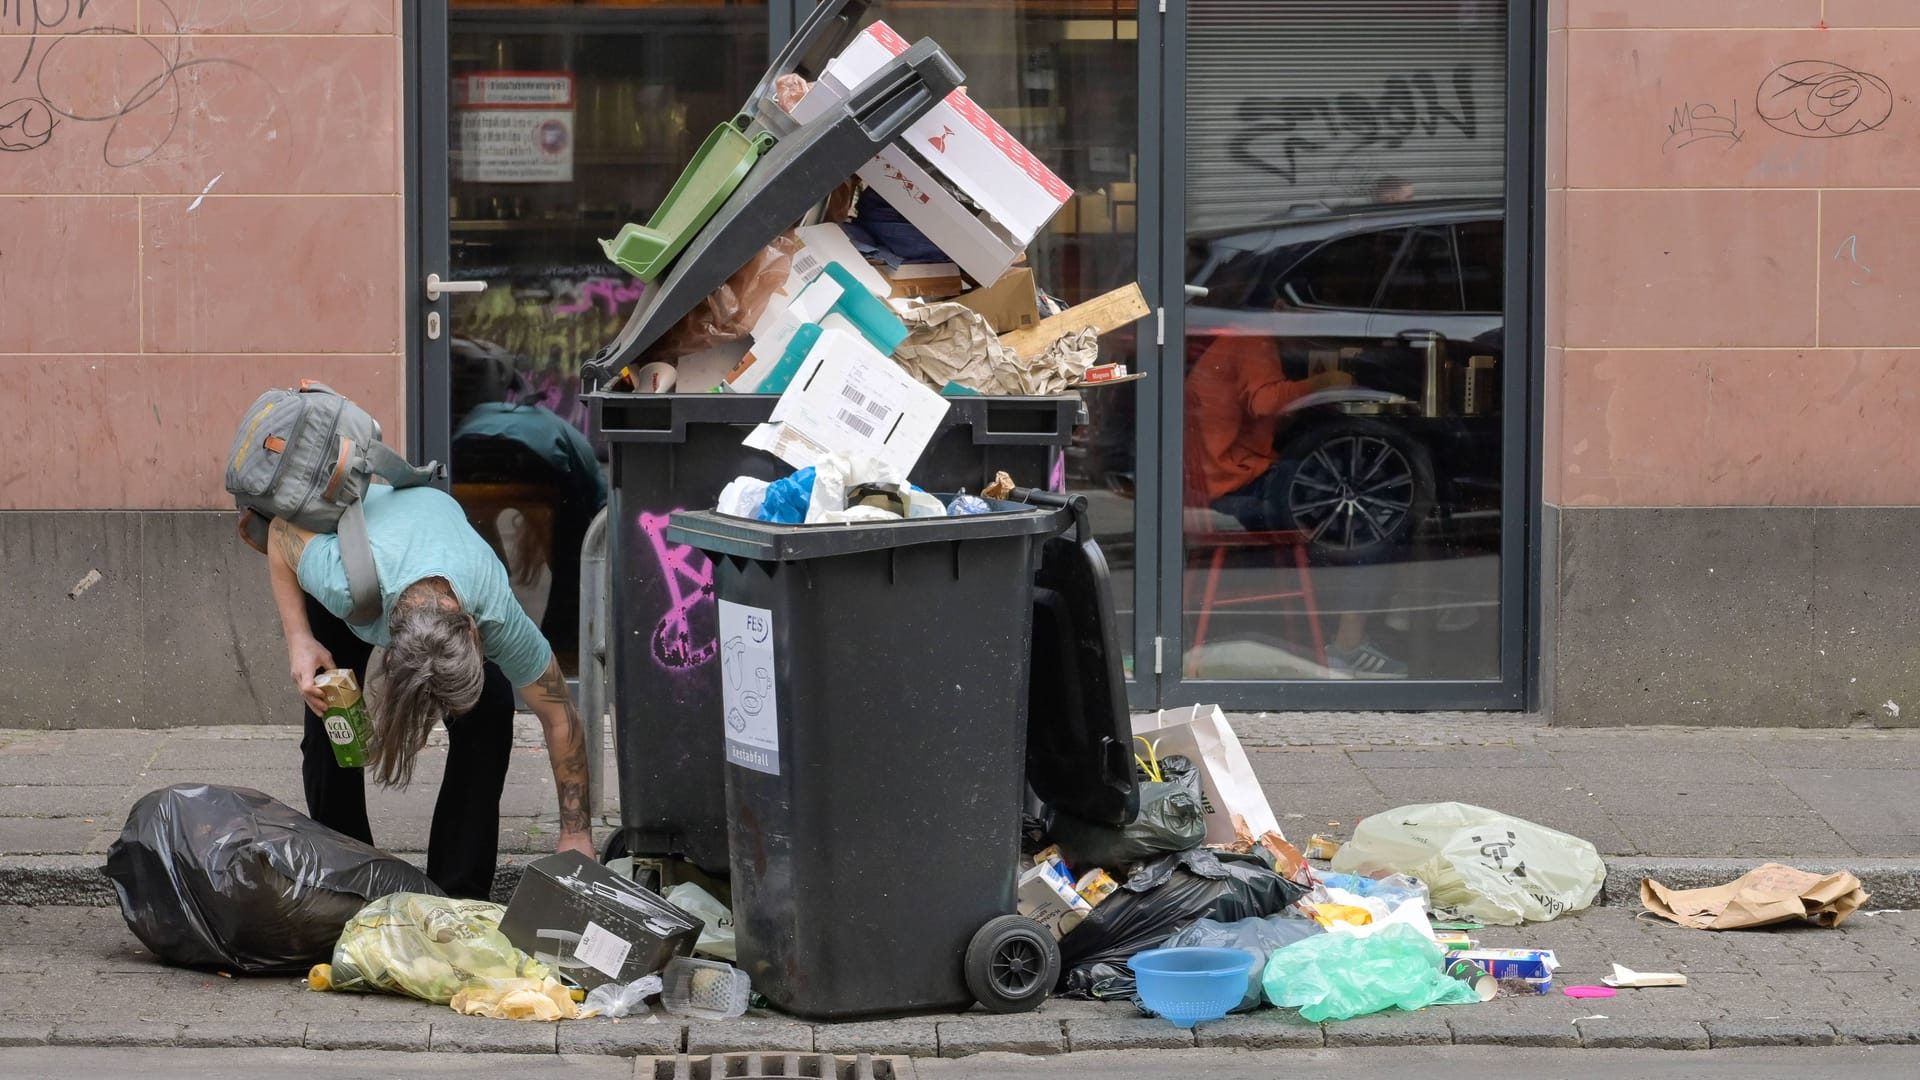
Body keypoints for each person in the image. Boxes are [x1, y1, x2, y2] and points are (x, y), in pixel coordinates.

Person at [264, 484, 593, 899]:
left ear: (476, 635)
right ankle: (348, 878)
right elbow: (280, 531)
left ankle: (457, 893)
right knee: (330, 711)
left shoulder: (497, 615)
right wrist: (300, 641)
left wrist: (576, 832)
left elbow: (560, 713)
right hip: (359, 549)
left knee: (489, 717)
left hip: (437, 532)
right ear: (390, 655)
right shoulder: (342, 584)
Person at [1187, 332, 1408, 678]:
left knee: (1349, 504)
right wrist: (1324, 382)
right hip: (1242, 486)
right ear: (1279, 306)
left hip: (1225, 481)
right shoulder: (1252, 339)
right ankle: (1350, 643)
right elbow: (1264, 401)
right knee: (1374, 515)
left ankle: (1366, 623)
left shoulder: (1230, 341)